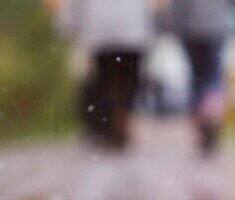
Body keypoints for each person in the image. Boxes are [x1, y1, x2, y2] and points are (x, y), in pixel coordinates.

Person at [48, 0, 155, 149]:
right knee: (128, 83)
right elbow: (148, 8)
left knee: (106, 82)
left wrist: (68, 27)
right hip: (132, 34)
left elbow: (75, 8)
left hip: (101, 36)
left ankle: (111, 123)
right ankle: (120, 116)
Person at [168, 0, 235, 157]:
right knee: (213, 77)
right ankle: (211, 116)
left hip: (191, 29)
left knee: (197, 79)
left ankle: (201, 124)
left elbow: (177, 6)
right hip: (216, 27)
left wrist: (176, 26)